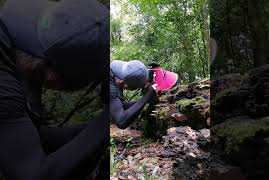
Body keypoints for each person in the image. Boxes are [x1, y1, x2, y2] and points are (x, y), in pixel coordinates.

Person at [0, 0, 110, 179]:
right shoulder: (5, 88)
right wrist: (108, 121)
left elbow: (25, 138)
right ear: (54, 76)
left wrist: (94, 129)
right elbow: (33, 176)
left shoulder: (32, 20)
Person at [109, 60, 158, 129]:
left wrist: (147, 99)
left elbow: (120, 106)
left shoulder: (114, 73)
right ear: (125, 84)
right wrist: (147, 95)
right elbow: (121, 122)